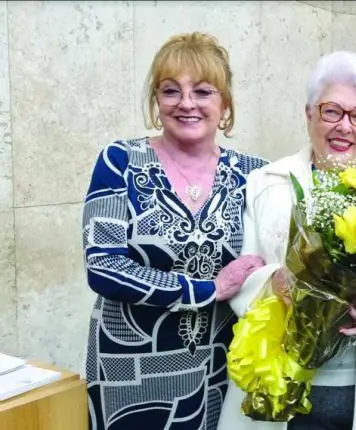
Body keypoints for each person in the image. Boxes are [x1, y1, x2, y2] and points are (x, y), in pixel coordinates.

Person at [217, 51, 356, 430]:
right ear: (309, 114)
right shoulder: (266, 182)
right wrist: (277, 283)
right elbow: (244, 274)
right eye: (331, 111)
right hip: (282, 376)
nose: (344, 127)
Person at [82, 32, 268, 430]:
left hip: (221, 366)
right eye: (171, 91)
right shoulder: (121, 161)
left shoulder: (255, 175)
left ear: (225, 104)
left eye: (202, 91)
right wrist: (207, 289)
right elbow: (103, 266)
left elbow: (297, 229)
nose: (186, 103)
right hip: (130, 370)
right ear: (156, 100)